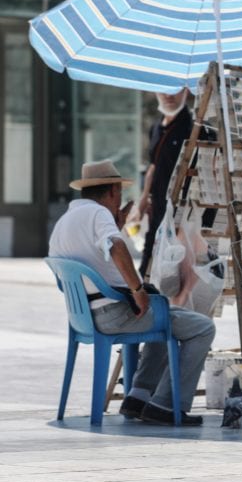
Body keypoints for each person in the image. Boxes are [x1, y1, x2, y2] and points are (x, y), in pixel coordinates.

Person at [49, 160, 215, 426]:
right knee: (202, 327)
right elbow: (115, 246)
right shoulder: (98, 214)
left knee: (163, 314)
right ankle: (166, 404)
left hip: (86, 316)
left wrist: (118, 225)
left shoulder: (65, 222)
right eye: (120, 194)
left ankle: (138, 397)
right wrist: (137, 290)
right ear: (113, 190)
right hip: (113, 314)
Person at [131, 88, 198, 279]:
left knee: (174, 273)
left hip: (181, 213)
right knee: (147, 266)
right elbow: (153, 165)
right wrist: (143, 200)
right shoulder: (156, 127)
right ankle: (146, 303)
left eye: (175, 90)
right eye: (163, 90)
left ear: (185, 91)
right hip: (157, 208)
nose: (168, 95)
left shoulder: (192, 126)